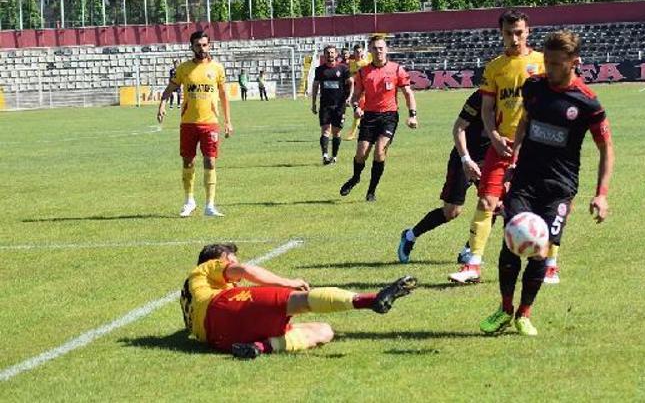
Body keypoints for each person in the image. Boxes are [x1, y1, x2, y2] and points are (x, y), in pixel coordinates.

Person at [479, 30, 615, 336]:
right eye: (547, 62)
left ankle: (524, 314)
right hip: (525, 180)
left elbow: (607, 148)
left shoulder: (587, 102)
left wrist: (601, 195)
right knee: (512, 241)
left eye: (555, 64)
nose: (548, 69)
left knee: (541, 248)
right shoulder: (534, 87)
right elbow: (526, 121)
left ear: (573, 62)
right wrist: (514, 159)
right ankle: (504, 308)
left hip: (560, 188)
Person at [180, 242, 418, 357]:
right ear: (218, 259)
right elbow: (244, 271)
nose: (232, 263)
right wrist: (287, 281)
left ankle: (259, 347)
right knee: (297, 300)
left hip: (220, 340)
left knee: (323, 331)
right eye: (230, 258)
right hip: (221, 307)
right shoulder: (205, 268)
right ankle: (371, 300)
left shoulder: (190, 295)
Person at [448, 10, 545, 284]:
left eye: (519, 32)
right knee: (485, 201)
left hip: (535, 147)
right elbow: (487, 110)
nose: (514, 38)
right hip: (501, 146)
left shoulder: (542, 63)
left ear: (528, 31)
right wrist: (493, 136)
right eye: (508, 33)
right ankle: (473, 266)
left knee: (536, 206)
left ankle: (547, 263)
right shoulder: (494, 68)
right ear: (501, 33)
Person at [397, 90, 490, 263]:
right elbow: (458, 128)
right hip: (465, 157)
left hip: (491, 159)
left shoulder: (516, 99)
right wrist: (466, 159)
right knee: (451, 212)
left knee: (493, 206)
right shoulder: (480, 97)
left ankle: (468, 251)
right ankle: (410, 235)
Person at [157, 30, 233, 217]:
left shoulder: (217, 68)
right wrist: (162, 105)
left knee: (210, 161)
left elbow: (223, 95)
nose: (201, 48)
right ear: (191, 46)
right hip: (188, 123)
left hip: (210, 123)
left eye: (204, 45)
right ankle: (189, 201)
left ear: (210, 45)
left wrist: (228, 121)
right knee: (188, 161)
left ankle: (210, 205)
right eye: (198, 45)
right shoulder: (183, 69)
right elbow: (169, 90)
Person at [339, 35, 418, 202]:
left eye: (381, 48)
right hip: (369, 116)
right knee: (361, 154)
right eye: (375, 48)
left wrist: (412, 115)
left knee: (379, 151)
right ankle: (355, 178)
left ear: (386, 49)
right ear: (370, 51)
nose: (378, 51)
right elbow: (355, 97)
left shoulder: (397, 70)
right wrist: (356, 108)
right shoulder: (363, 72)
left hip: (389, 117)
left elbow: (408, 93)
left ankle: (371, 191)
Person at [312, 45, 353, 165]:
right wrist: (314, 103)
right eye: (328, 53)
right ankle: (325, 156)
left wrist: (349, 98)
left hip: (339, 106)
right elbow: (315, 86)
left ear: (336, 54)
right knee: (325, 130)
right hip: (325, 105)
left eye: (332, 53)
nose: (330, 55)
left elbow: (351, 83)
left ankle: (334, 156)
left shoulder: (343, 69)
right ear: (324, 55)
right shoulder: (320, 70)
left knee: (336, 132)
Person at [344, 44, 370, 141]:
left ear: (363, 51)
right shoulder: (351, 63)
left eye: (360, 51)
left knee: (360, 112)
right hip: (357, 92)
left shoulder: (367, 62)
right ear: (354, 53)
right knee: (358, 112)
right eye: (356, 52)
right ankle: (359, 130)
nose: (359, 53)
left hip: (367, 91)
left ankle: (354, 132)